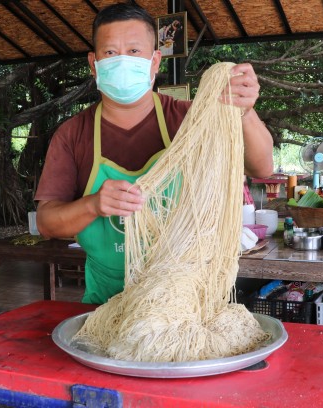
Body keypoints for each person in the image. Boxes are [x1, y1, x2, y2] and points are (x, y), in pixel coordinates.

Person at [35, 3, 273, 304]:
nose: (122, 60)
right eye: (110, 53)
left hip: (185, 297)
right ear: (94, 64)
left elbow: (261, 166)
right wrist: (93, 205)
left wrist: (245, 110)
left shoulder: (190, 120)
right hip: (107, 299)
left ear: (155, 61)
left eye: (134, 51)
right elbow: (47, 222)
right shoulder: (73, 134)